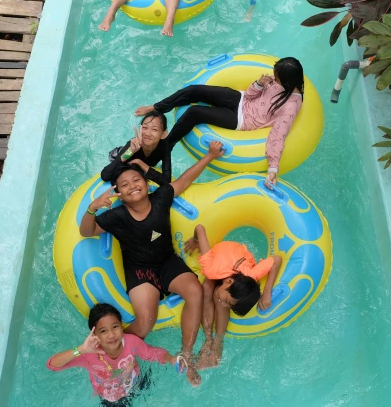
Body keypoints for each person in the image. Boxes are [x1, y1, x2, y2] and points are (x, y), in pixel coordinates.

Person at [79, 140, 226, 386]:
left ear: (147, 185)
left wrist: (210, 156)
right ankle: (111, 354)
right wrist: (92, 208)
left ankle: (186, 355)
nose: (132, 186)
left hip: (168, 262)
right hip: (140, 271)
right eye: (124, 185)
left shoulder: (160, 199)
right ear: (120, 195)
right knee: (145, 323)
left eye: (136, 181)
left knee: (195, 291)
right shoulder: (117, 216)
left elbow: (185, 180)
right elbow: (86, 231)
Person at [134, 57, 304, 189]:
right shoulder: (279, 83)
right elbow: (252, 95)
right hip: (241, 98)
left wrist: (273, 169)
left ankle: (165, 146)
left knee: (195, 112)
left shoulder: (290, 106)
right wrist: (259, 84)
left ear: (288, 81)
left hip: (241, 119)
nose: (274, 79)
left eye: (277, 77)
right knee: (194, 90)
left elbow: (278, 135)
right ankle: (156, 107)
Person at [183, 224, 282, 369]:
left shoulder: (250, 277)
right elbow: (199, 227)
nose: (223, 305)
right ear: (228, 282)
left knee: (219, 297)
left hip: (236, 265)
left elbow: (276, 261)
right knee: (206, 288)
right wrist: (195, 240)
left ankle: (218, 342)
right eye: (227, 302)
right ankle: (208, 338)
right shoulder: (212, 268)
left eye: (229, 305)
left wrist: (267, 291)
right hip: (221, 259)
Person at [47, 303, 182, 406]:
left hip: (136, 382)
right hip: (110, 397)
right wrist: (81, 349)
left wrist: (171, 358)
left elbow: (152, 353)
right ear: (95, 335)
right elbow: (52, 365)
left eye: (115, 327)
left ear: (121, 326)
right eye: (103, 331)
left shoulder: (131, 342)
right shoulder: (88, 355)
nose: (111, 335)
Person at [101, 111, 171, 186]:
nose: (147, 133)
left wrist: (140, 163)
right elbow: (105, 175)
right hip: (123, 154)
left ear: (163, 134)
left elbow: (166, 181)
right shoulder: (133, 144)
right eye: (145, 127)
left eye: (154, 129)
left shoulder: (165, 147)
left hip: (140, 163)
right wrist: (130, 151)